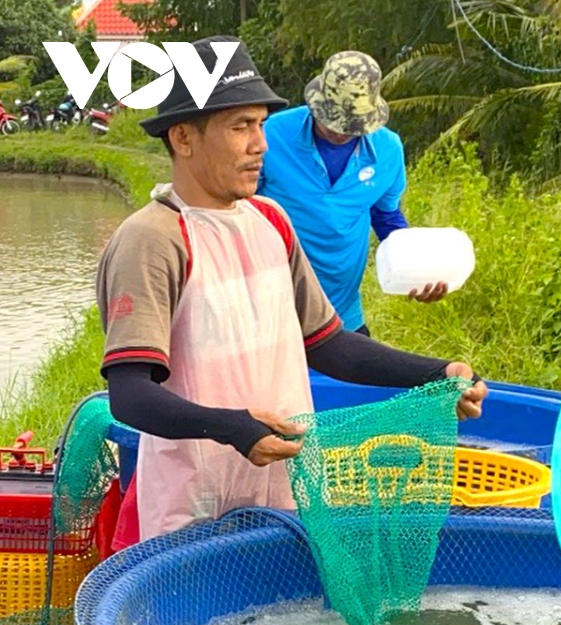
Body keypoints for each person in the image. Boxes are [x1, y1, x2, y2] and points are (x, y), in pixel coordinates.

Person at [96, 36, 488, 552]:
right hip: (194, 502)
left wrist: (435, 374)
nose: (260, 143)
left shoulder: (270, 221)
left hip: (284, 490)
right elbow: (130, 394)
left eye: (261, 124)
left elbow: (329, 344)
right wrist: (232, 427)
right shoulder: (155, 238)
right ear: (184, 138)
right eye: (241, 127)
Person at [257, 50, 444, 338]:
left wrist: (415, 271)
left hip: (342, 315)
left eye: (353, 125)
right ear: (316, 104)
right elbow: (238, 207)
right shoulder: (272, 135)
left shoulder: (387, 150)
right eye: (333, 121)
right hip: (270, 310)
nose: (341, 133)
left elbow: (386, 217)